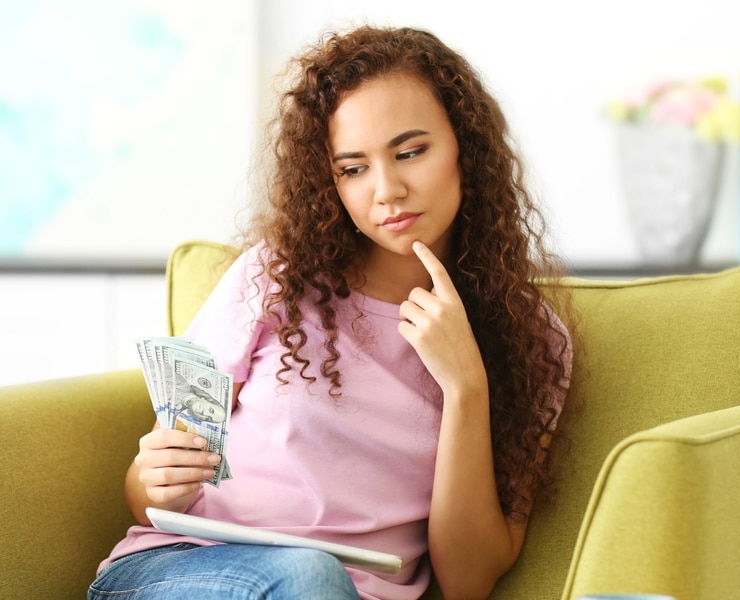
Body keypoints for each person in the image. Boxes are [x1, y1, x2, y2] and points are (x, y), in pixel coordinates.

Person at [89, 24, 573, 600]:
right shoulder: (275, 279)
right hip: (184, 567)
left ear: (466, 147)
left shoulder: (533, 340)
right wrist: (157, 481)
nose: (386, 189)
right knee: (309, 574)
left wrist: (466, 387)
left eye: (411, 152)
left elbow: (467, 581)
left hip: (348, 591)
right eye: (353, 169)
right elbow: (149, 497)